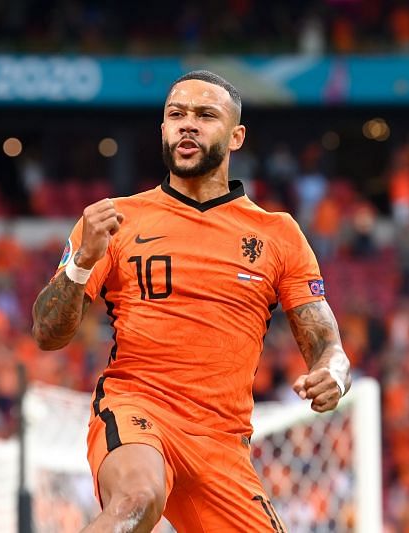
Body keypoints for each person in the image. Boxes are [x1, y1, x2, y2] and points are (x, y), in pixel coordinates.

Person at [32, 70, 352, 532]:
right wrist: (81, 263)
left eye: (205, 115)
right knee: (139, 499)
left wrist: (334, 376)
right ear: (162, 129)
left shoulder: (278, 235)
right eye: (176, 114)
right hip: (139, 410)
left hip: (222, 442)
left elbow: (328, 346)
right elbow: (46, 333)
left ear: (236, 135)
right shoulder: (115, 220)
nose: (187, 124)